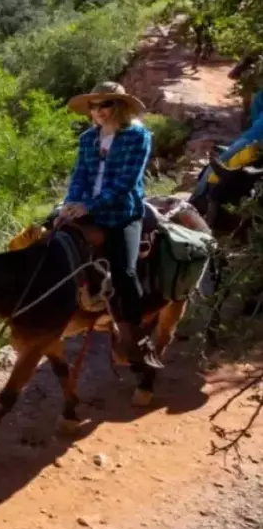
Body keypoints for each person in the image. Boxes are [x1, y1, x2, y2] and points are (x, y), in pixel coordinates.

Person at [60, 82, 160, 368]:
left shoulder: (138, 136)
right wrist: (70, 205)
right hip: (85, 209)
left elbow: (126, 183)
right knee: (48, 240)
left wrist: (88, 206)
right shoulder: (87, 140)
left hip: (121, 213)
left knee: (125, 271)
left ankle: (134, 335)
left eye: (105, 105)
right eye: (93, 106)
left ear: (120, 107)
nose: (98, 111)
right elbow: (79, 177)